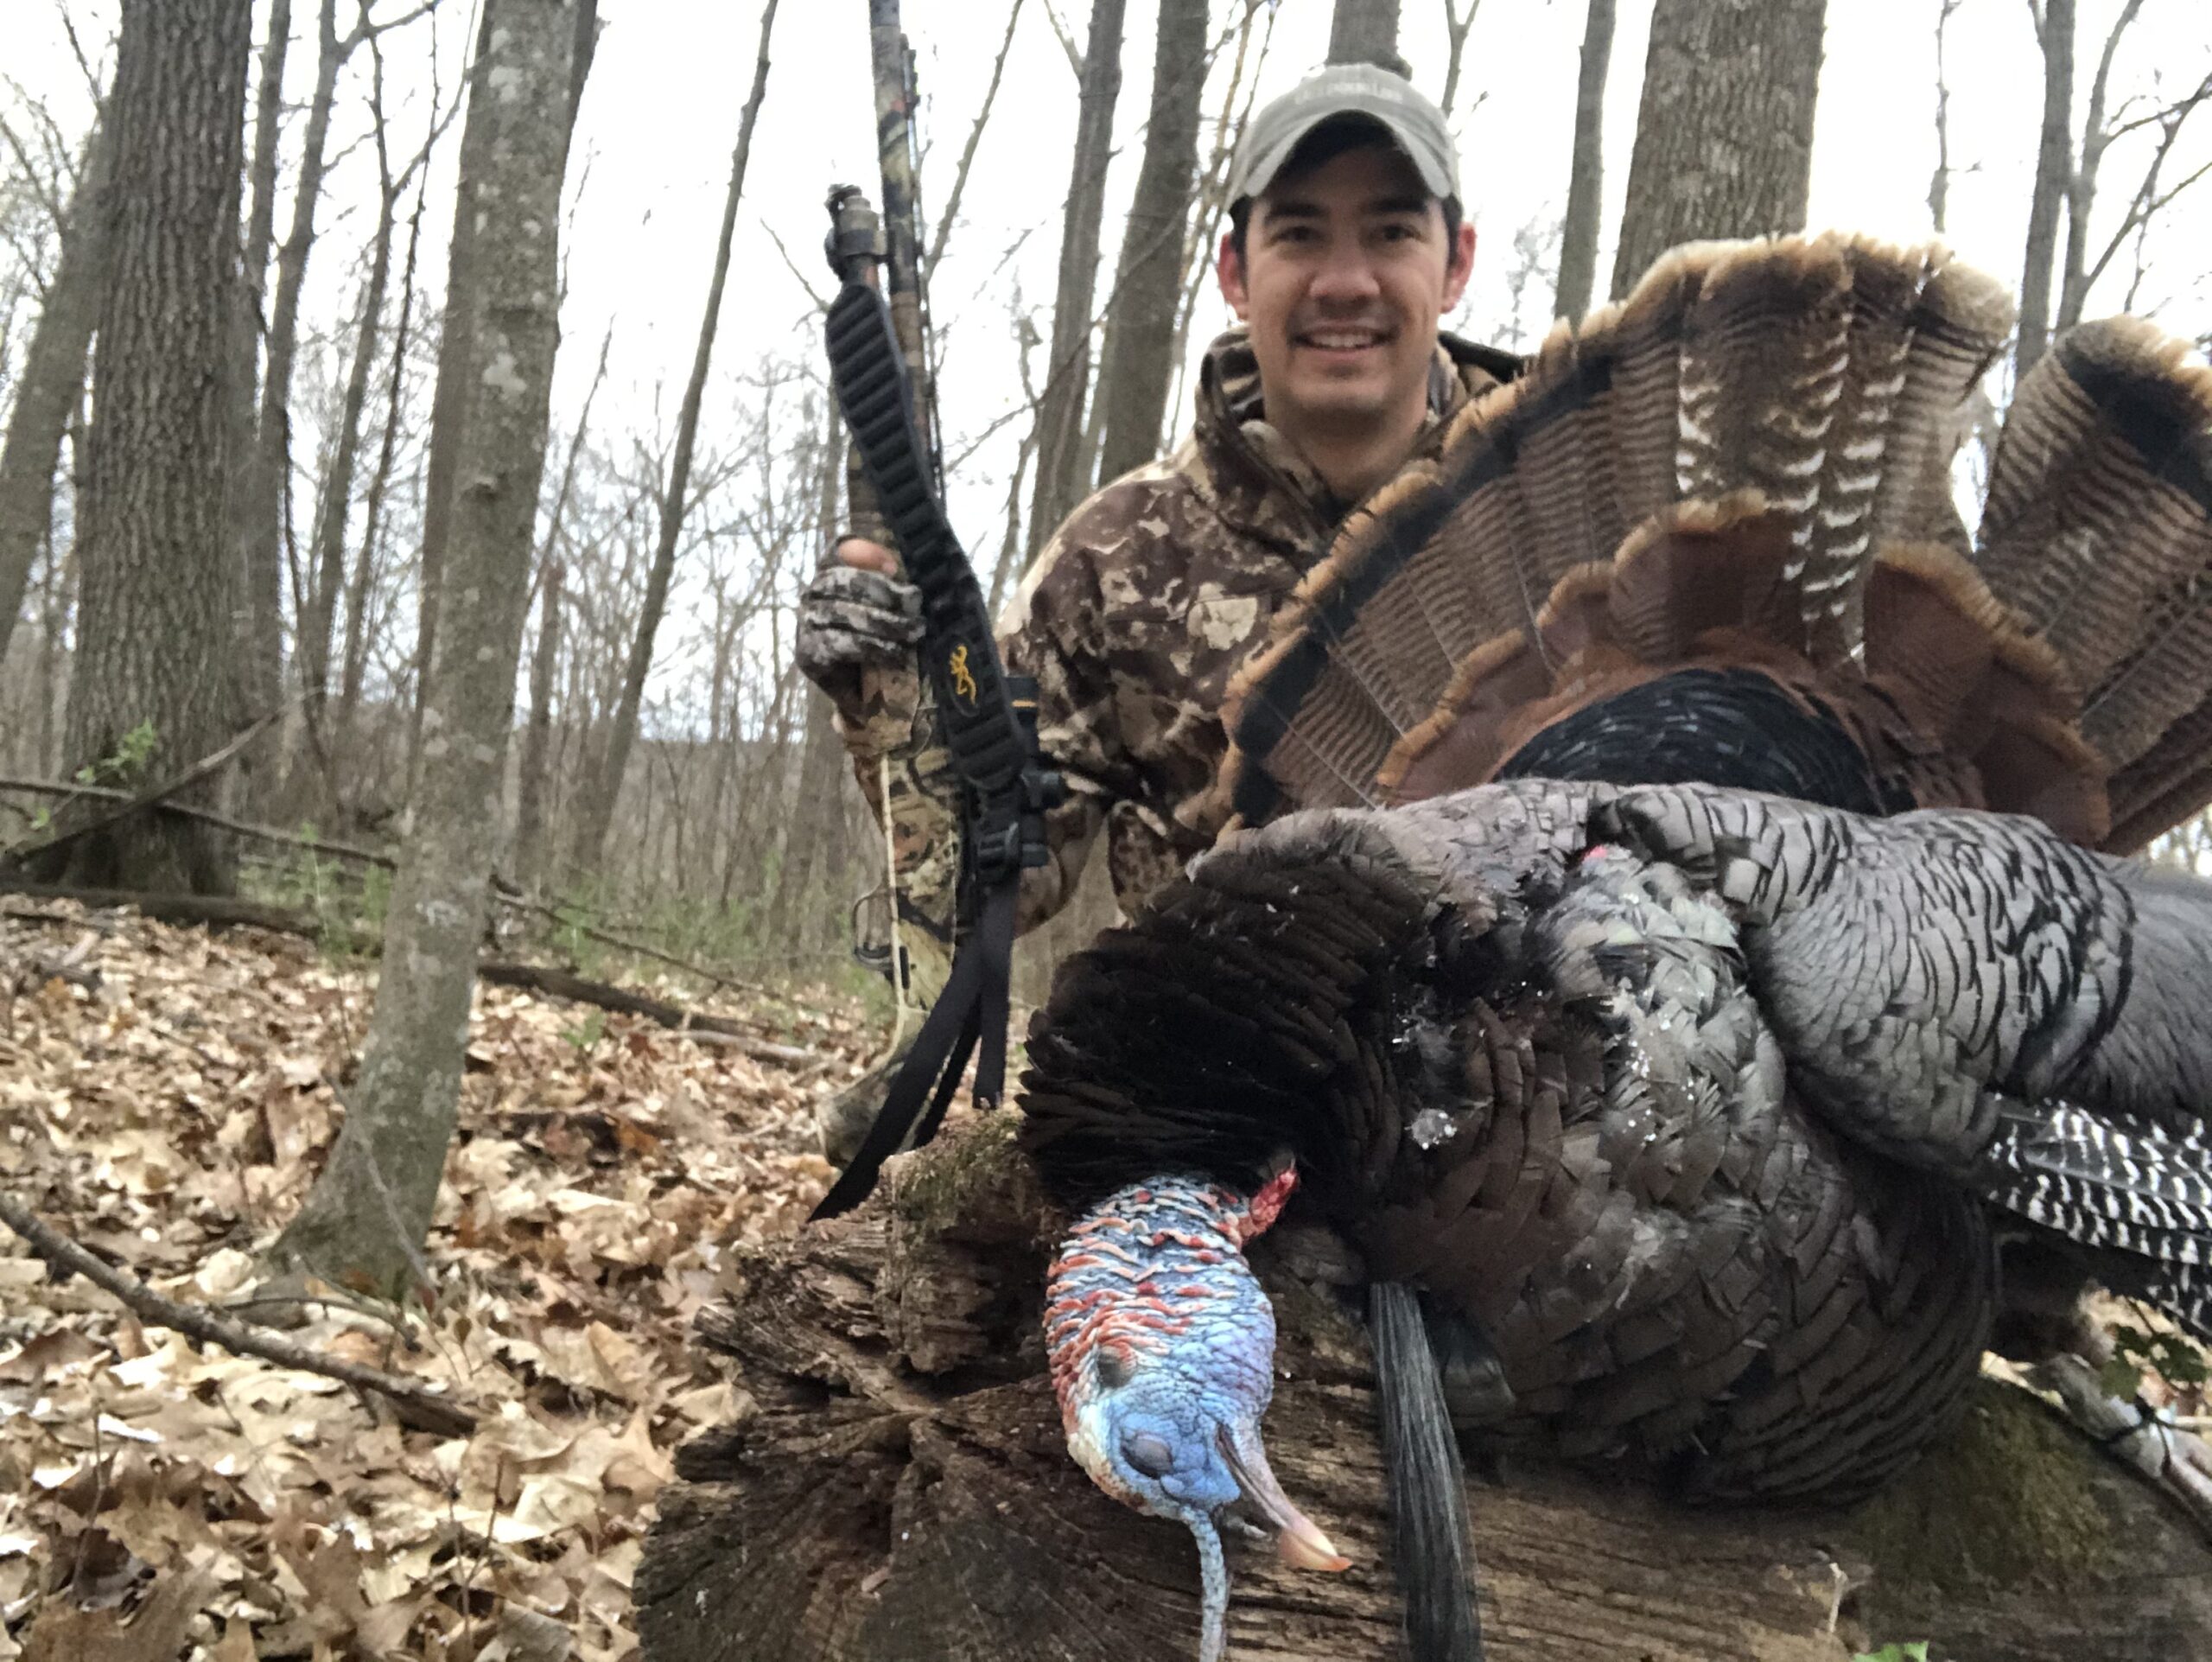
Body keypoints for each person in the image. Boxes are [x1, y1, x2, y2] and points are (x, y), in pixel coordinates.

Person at [796, 62, 1518, 1043]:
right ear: (1234, 272)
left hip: (1525, 1109)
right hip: (1224, 1102)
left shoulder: (1571, 519)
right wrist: (886, 694)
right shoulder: (1119, 556)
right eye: (1299, 233)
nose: (1345, 283)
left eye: (1391, 232)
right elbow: (996, 873)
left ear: (1456, 261)